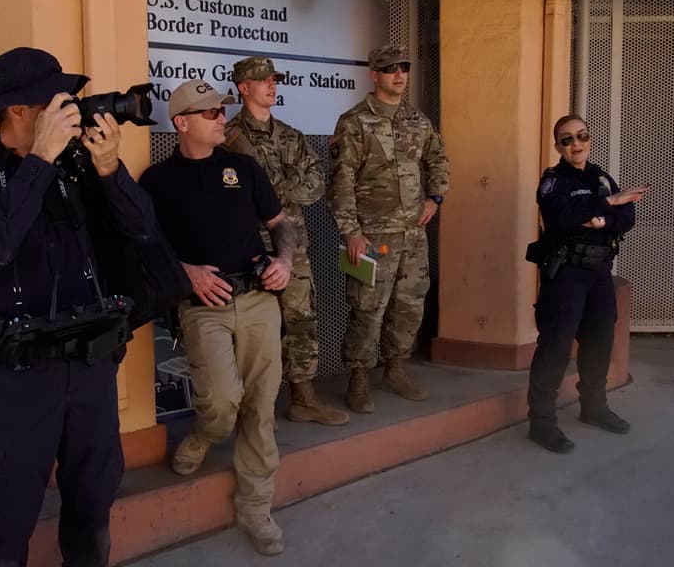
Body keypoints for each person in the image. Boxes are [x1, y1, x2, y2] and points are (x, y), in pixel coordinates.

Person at [0, 47, 161, 567]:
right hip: (19, 377)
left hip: (90, 370)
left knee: (92, 506)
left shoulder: (79, 167)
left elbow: (142, 231)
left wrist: (110, 170)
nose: (71, 106)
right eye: (58, 99)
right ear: (19, 110)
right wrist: (38, 161)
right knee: (7, 511)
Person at [140, 79, 296, 557]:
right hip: (203, 307)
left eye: (220, 110)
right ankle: (205, 434)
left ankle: (255, 506)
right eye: (208, 113)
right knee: (223, 402)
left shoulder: (244, 169)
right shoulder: (156, 181)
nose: (220, 118)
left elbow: (278, 223)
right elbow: (144, 247)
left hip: (257, 299)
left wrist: (284, 260)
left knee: (261, 405)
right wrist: (185, 273)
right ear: (181, 123)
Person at [224, 56, 348, 427]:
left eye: (274, 79)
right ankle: (254, 408)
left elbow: (315, 186)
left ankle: (304, 399)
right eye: (263, 80)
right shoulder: (228, 138)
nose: (272, 85)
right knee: (249, 331)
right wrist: (282, 186)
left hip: (292, 247)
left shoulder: (292, 135)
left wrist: (268, 188)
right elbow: (232, 194)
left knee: (301, 321)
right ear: (243, 87)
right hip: (247, 249)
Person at [327, 44, 449, 413]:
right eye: (390, 68)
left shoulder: (418, 120)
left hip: (413, 233)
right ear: (374, 75)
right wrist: (350, 232)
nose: (399, 74)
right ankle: (359, 378)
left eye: (404, 67)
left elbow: (438, 158)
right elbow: (341, 180)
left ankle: (395, 368)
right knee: (367, 308)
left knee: (410, 304)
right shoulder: (354, 122)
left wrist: (435, 198)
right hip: (371, 235)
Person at [526, 114, 647, 454]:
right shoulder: (553, 181)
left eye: (581, 136)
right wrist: (607, 205)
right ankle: (542, 423)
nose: (576, 144)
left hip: (598, 276)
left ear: (589, 139)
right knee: (556, 347)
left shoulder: (601, 177)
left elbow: (627, 218)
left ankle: (594, 408)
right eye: (567, 139)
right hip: (566, 275)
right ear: (558, 146)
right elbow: (558, 217)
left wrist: (600, 218)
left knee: (599, 341)